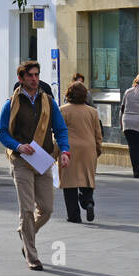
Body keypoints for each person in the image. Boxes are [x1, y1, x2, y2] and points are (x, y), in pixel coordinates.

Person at [0, 60, 71, 271]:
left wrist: (64, 151)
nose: (34, 79)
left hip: (43, 159)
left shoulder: (48, 101)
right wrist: (18, 146)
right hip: (21, 162)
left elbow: (61, 129)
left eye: (37, 75)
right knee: (27, 210)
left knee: (47, 209)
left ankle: (26, 232)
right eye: (30, 75)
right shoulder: (10, 103)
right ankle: (32, 255)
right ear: (21, 78)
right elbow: (1, 133)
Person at [59, 82, 102, 223]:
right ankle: (88, 202)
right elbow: (98, 133)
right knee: (87, 178)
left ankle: (74, 215)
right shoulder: (92, 112)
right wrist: (98, 149)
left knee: (69, 183)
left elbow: (58, 132)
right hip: (88, 148)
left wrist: (55, 152)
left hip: (69, 149)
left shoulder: (62, 110)